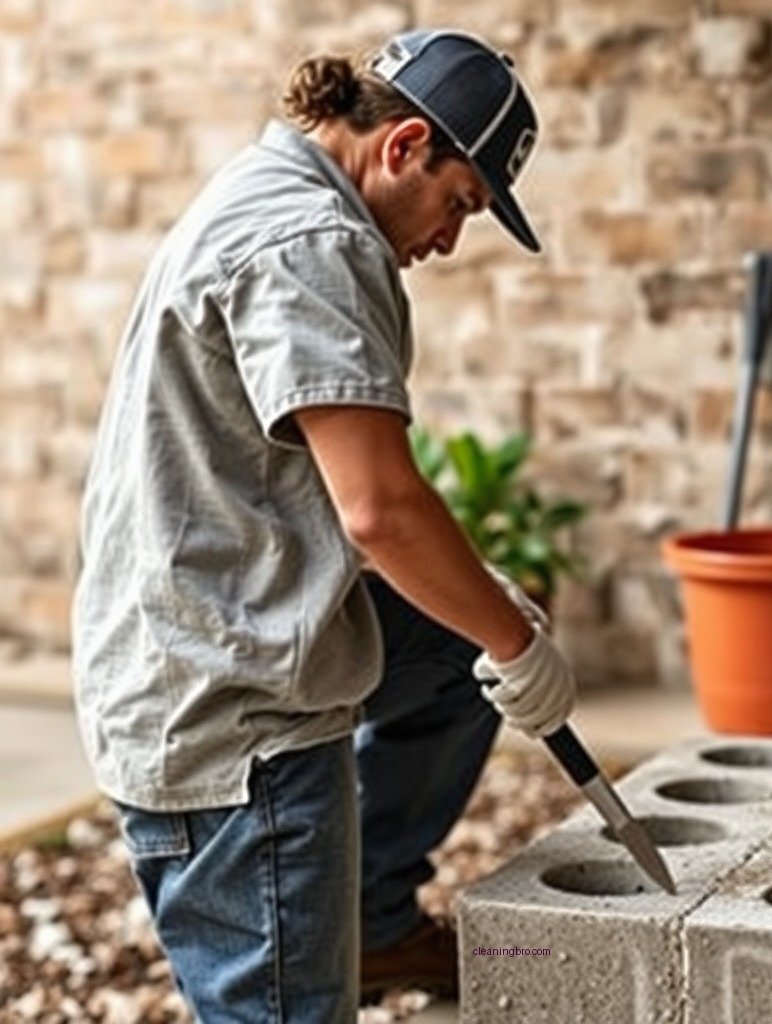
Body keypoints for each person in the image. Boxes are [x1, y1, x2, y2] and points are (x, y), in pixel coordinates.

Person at [71, 28, 577, 1024]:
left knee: (450, 656)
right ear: (403, 147)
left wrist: (488, 619)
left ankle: (373, 914)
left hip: (207, 629)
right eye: (459, 203)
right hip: (235, 714)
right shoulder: (316, 242)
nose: (448, 240)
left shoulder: (268, 189)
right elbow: (379, 506)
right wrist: (517, 643)